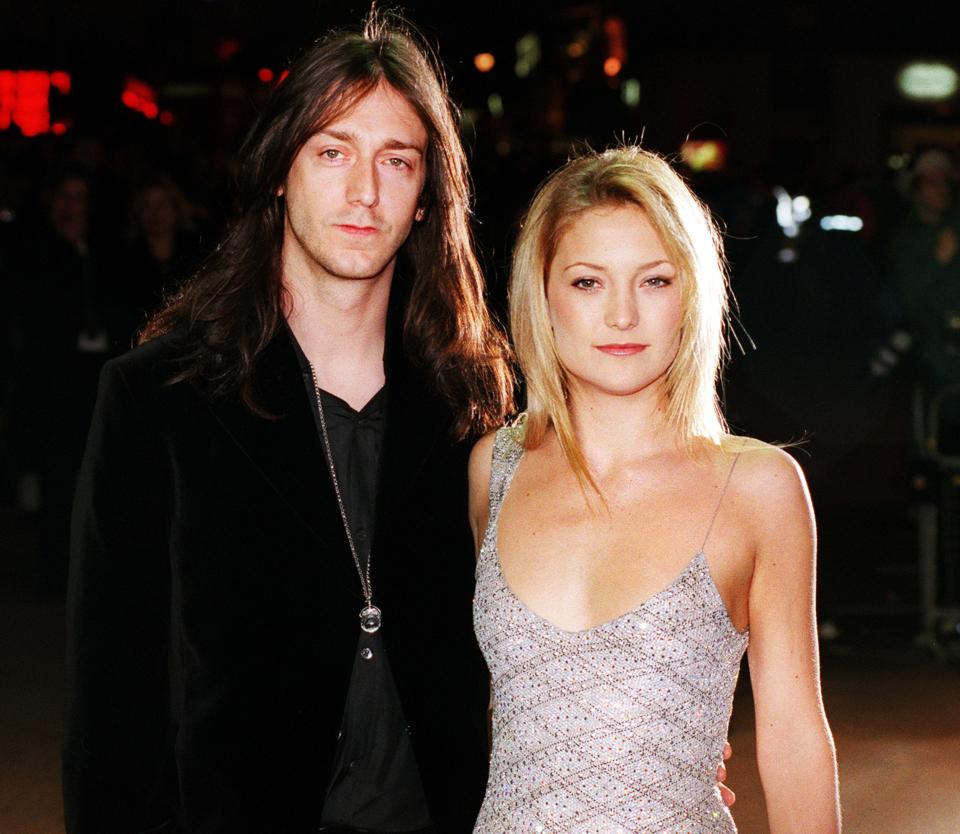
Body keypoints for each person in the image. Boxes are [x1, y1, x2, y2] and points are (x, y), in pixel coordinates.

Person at [63, 13, 516, 834]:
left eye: (397, 160)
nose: (364, 191)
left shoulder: (474, 401)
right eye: (332, 151)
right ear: (280, 171)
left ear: (425, 198)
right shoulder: (158, 398)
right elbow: (112, 707)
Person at [468, 147, 841, 833]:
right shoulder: (494, 468)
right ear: (541, 294)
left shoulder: (758, 488)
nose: (620, 316)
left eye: (654, 281)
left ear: (691, 294)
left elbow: (793, 738)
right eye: (587, 282)